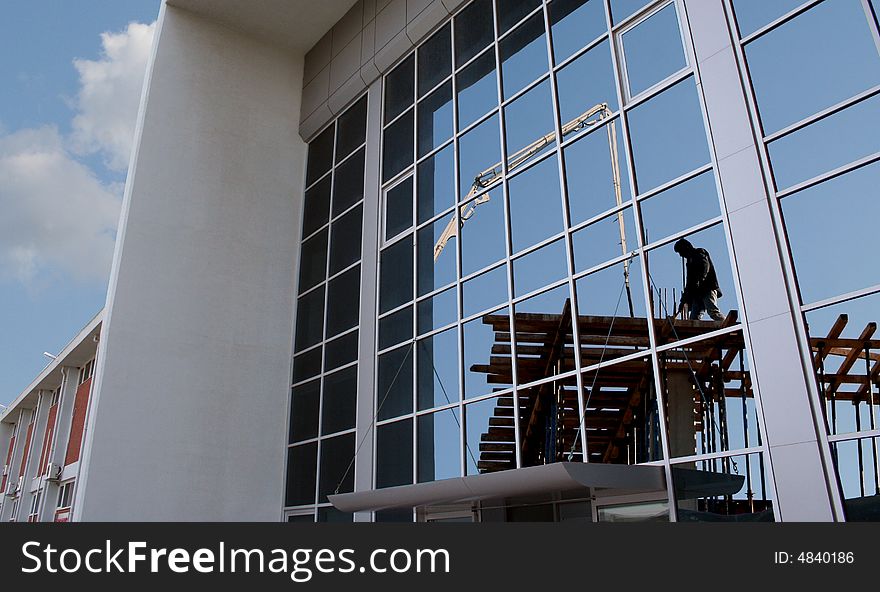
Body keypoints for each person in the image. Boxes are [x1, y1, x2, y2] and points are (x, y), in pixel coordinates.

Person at [673, 238, 725, 321]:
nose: (681, 255)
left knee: (712, 311)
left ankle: (727, 326)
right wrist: (683, 301)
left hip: (707, 288)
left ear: (685, 248)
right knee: (694, 318)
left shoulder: (699, 253)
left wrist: (699, 280)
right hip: (698, 293)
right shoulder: (690, 261)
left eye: (680, 252)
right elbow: (689, 283)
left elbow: (705, 267)